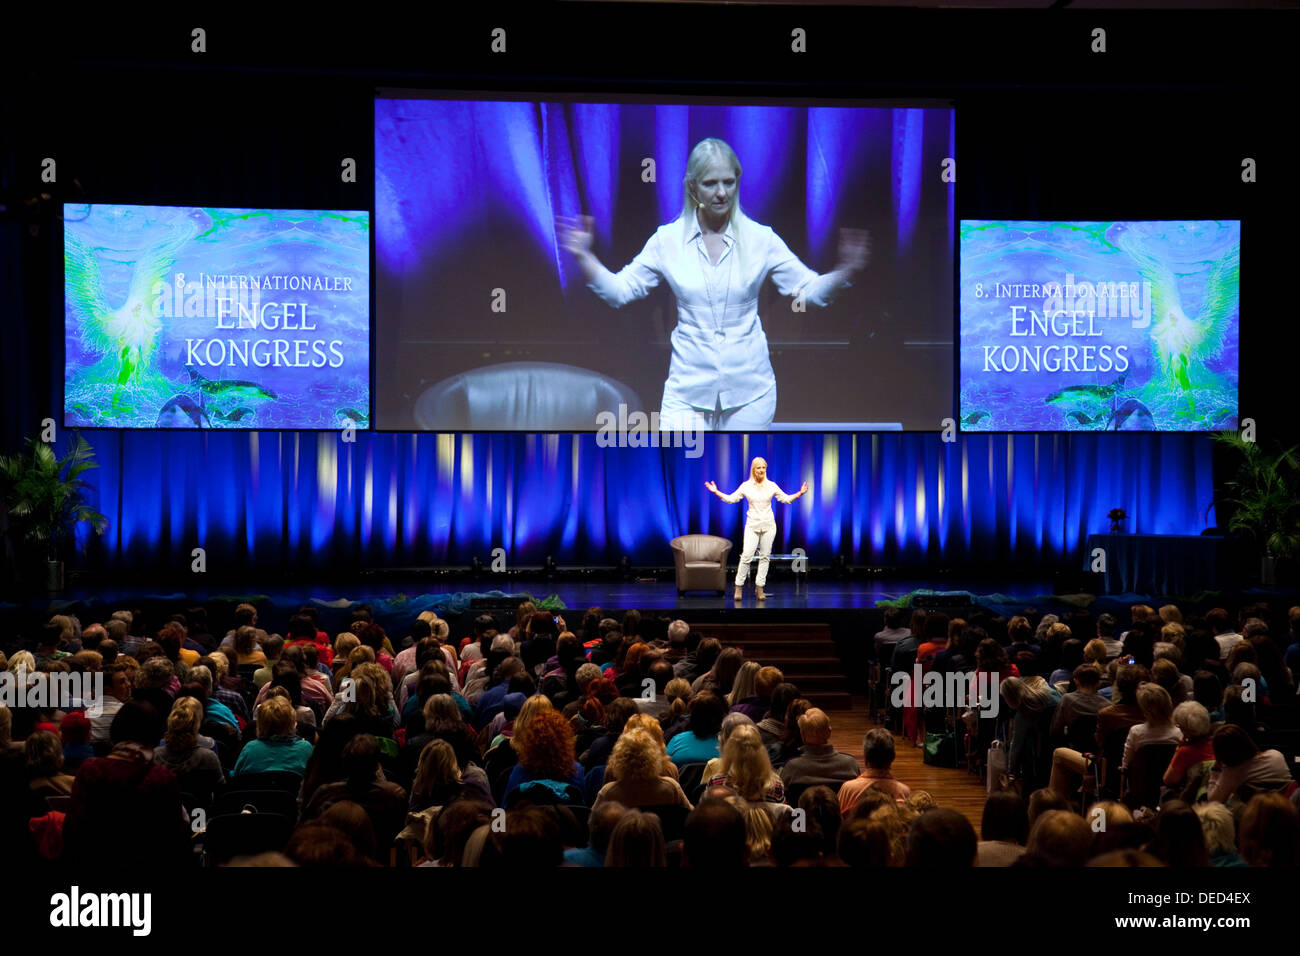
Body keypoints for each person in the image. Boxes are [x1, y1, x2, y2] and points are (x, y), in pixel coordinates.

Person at [559, 136, 869, 432]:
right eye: (710, 184)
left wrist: (845, 271)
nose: (722, 193)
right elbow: (620, 292)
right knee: (682, 476)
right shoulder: (667, 241)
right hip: (687, 393)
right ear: (692, 187)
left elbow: (810, 291)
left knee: (735, 480)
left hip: (750, 393)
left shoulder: (761, 239)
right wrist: (583, 256)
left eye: (729, 182)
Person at [706, 457, 808, 602]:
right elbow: (731, 499)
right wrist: (716, 491)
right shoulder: (746, 486)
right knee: (747, 556)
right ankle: (738, 586)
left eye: (763, 468)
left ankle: (760, 587)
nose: (761, 470)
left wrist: (800, 493)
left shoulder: (771, 485)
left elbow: (786, 499)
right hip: (752, 525)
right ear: (753, 469)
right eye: (758, 468)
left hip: (769, 526)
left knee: (765, 557)